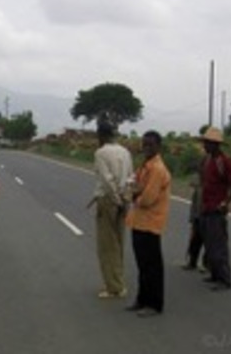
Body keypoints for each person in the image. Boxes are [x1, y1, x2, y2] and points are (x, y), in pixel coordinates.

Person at [125, 130, 170, 317]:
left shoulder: (157, 169)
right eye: (144, 144)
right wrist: (135, 192)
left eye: (150, 145)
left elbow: (147, 199)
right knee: (142, 265)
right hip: (139, 222)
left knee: (152, 266)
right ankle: (142, 299)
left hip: (150, 222)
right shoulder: (146, 166)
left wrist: (135, 194)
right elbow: (134, 184)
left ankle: (154, 304)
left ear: (158, 146)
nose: (146, 148)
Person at [90, 121, 133, 299]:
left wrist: (115, 198)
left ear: (101, 135)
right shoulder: (125, 152)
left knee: (107, 245)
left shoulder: (101, 153)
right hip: (123, 199)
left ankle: (114, 287)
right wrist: (124, 198)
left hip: (108, 200)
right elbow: (131, 176)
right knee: (119, 242)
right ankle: (119, 281)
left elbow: (107, 180)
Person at [198, 127, 231, 291]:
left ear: (216, 145)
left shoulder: (223, 161)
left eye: (208, 143)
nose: (205, 145)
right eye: (205, 142)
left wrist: (226, 201)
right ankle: (215, 274)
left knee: (218, 246)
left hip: (216, 209)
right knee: (210, 245)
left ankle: (224, 279)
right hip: (206, 207)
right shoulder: (209, 160)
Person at [182, 176, 205, 271]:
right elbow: (193, 204)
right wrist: (192, 218)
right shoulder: (199, 188)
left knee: (210, 243)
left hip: (209, 216)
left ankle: (207, 264)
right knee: (195, 240)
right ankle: (192, 261)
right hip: (198, 216)